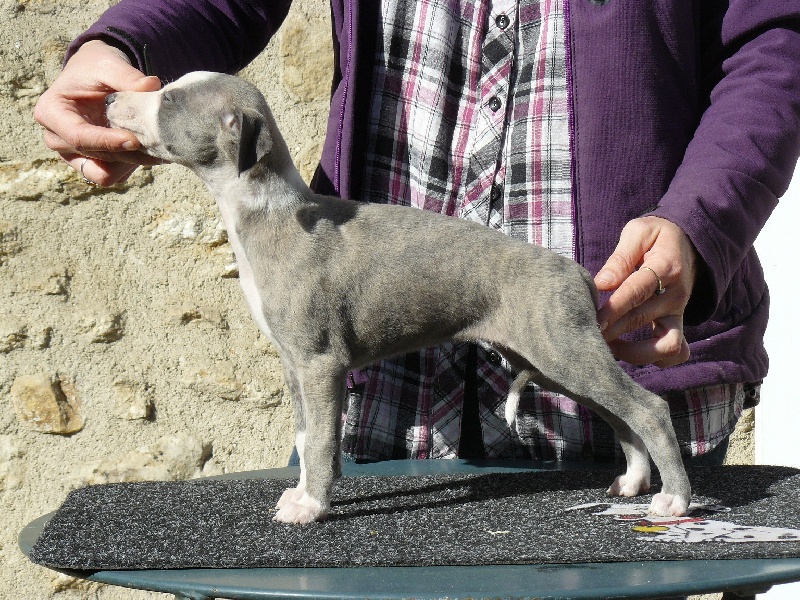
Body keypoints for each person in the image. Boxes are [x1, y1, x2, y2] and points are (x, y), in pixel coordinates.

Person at [35, 1, 800, 466]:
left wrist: (701, 219)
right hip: (384, 395)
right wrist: (124, 48)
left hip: (613, 321)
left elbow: (777, 36)